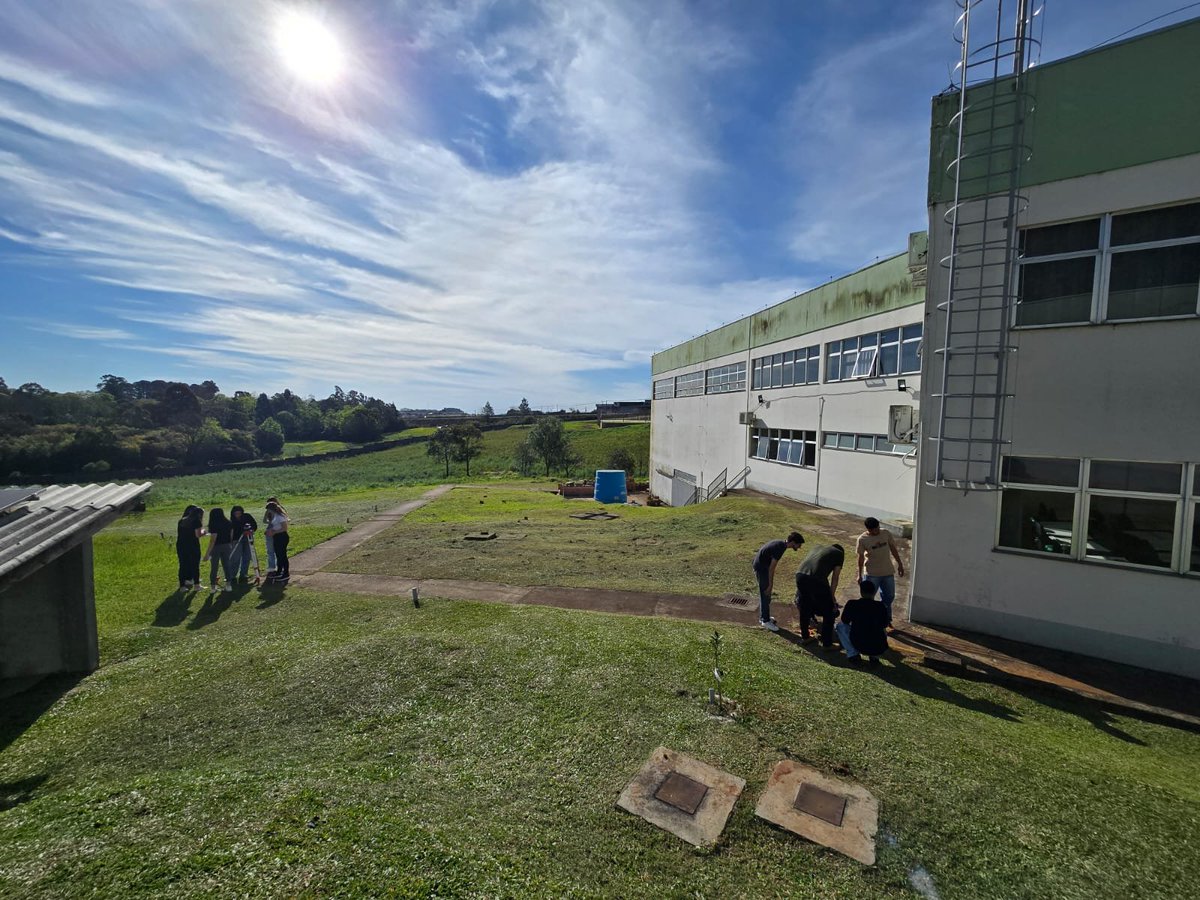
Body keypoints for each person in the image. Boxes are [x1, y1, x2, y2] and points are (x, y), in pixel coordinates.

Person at [855, 517, 905, 626]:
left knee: (889, 596)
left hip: (887, 572)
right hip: (871, 574)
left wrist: (900, 564)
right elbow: (860, 558)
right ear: (868, 529)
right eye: (874, 530)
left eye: (877, 528)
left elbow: (893, 549)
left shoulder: (886, 533)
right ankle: (870, 621)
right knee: (869, 599)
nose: (877, 531)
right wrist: (859, 575)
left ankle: (886, 619)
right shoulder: (862, 539)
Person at [751, 531, 805, 631]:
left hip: (761, 566)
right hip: (761, 568)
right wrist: (770, 584)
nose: (799, 547)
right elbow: (772, 568)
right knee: (765, 593)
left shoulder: (781, 544)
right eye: (799, 544)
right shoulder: (780, 548)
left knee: (767, 594)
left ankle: (765, 617)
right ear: (793, 542)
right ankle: (765, 621)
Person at [794, 543, 844, 648]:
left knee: (805, 606)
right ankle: (827, 644)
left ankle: (805, 637)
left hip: (800, 575)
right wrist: (832, 597)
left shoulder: (817, 547)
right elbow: (835, 578)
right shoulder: (839, 554)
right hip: (816, 579)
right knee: (829, 611)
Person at [836, 580, 889, 667]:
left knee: (840, 626)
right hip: (878, 647)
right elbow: (884, 625)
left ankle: (853, 654)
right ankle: (874, 657)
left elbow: (844, 621)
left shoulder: (852, 604)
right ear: (874, 592)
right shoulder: (881, 606)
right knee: (882, 629)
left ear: (861, 592)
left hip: (858, 642)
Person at [203, 507, 235, 591]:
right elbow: (231, 536)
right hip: (227, 546)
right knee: (226, 565)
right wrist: (230, 545)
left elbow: (213, 540)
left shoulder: (214, 524)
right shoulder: (229, 523)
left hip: (216, 547)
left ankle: (213, 587)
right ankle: (228, 585)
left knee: (214, 567)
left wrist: (207, 553)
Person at [176, 505, 204, 589]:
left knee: (183, 564)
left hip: (181, 545)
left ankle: (182, 585)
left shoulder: (182, 520)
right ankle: (197, 585)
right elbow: (198, 535)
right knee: (195, 564)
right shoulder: (197, 521)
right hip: (193, 545)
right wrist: (204, 532)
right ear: (199, 514)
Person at [229, 505, 258, 584]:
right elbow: (231, 532)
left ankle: (243, 574)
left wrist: (251, 530)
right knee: (236, 558)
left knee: (247, 556)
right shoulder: (232, 521)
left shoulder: (247, 516)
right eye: (236, 513)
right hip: (237, 540)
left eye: (239, 513)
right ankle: (232, 575)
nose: (238, 515)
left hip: (248, 538)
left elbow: (254, 525)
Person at [264, 500, 290, 583]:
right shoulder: (274, 516)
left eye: (269, 510)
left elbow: (284, 528)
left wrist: (274, 532)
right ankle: (279, 571)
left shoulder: (280, 517)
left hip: (282, 537)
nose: (268, 512)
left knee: (282, 555)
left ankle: (286, 573)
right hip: (276, 537)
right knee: (278, 555)